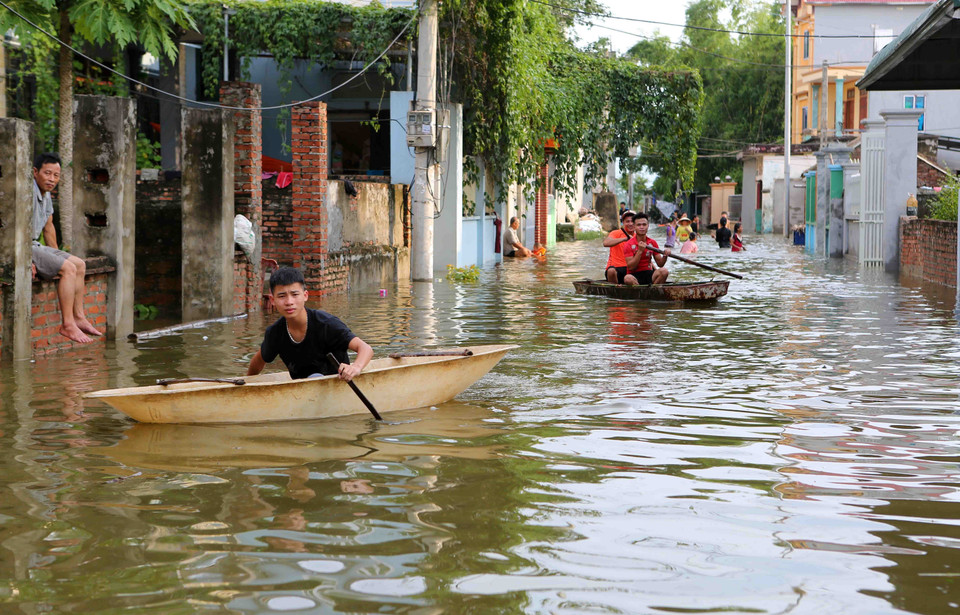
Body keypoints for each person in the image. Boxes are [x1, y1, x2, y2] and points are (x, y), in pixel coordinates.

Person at [247, 267, 373, 381]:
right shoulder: (275, 333)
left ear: (305, 296)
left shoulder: (327, 324)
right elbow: (259, 360)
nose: (289, 302)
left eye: (295, 294)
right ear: (272, 300)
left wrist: (356, 367)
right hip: (302, 392)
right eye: (281, 296)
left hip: (337, 385)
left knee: (316, 377)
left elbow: (365, 348)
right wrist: (247, 383)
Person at [30, 152, 102, 344]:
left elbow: (49, 228)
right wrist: (24, 261)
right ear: (35, 172)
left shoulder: (45, 196)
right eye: (47, 173)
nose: (51, 179)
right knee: (68, 269)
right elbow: (10, 230)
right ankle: (67, 324)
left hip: (36, 245)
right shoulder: (27, 192)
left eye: (56, 175)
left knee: (78, 264)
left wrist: (57, 256)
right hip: (23, 246)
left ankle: (78, 317)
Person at [625, 212, 670, 284]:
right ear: (634, 227)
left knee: (664, 271)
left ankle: (653, 290)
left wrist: (665, 256)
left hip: (649, 273)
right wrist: (640, 251)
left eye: (644, 225)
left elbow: (660, 264)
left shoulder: (652, 242)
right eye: (639, 225)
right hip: (634, 275)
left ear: (648, 226)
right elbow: (631, 267)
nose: (642, 227)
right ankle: (640, 291)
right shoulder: (628, 244)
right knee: (627, 279)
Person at [603, 210, 641, 285]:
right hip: (616, 269)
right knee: (611, 271)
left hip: (630, 270)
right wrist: (624, 239)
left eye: (632, 221)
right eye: (627, 221)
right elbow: (606, 243)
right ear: (623, 223)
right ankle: (615, 290)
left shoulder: (638, 237)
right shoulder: (616, 233)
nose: (630, 224)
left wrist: (654, 269)